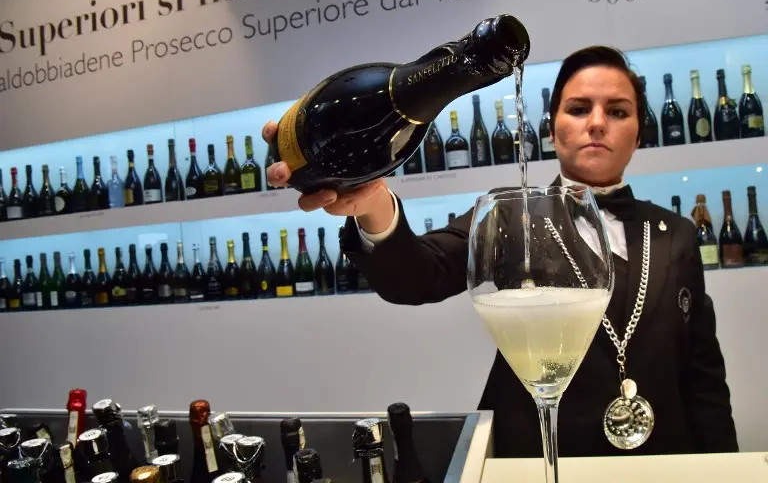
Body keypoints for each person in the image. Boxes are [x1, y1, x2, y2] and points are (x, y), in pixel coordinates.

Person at [261, 46, 739, 457]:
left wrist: (724, 465)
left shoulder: (676, 233)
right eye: (578, 109)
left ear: (638, 131)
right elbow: (419, 274)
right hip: (536, 458)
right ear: (552, 128)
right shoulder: (511, 215)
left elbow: (704, 376)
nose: (597, 123)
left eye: (617, 111)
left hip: (661, 460)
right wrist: (373, 205)